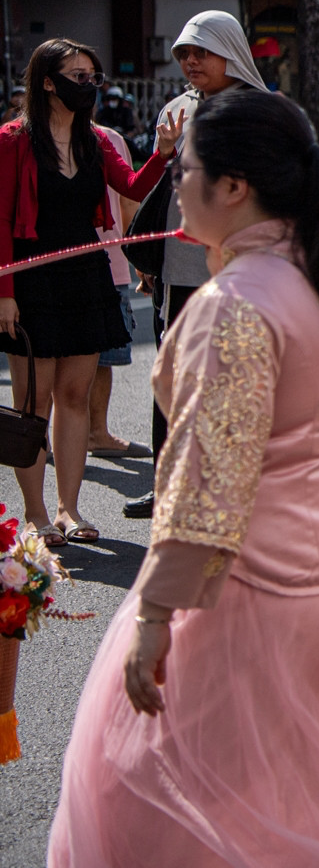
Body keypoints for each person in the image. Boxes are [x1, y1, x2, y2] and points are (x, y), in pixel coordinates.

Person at [48, 89, 319, 866]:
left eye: (184, 170)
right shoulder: (315, 275)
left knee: (170, 808)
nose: (175, 186)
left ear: (233, 187)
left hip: (249, 592)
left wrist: (155, 614)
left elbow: (205, 477)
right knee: (295, 797)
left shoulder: (236, 305)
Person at [0, 40, 177, 545]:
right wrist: (4, 292)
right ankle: (34, 514)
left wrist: (162, 156)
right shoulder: (12, 140)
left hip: (85, 276)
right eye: (77, 75)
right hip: (30, 278)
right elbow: (0, 219)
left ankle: (68, 510)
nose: (89, 85)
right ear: (47, 82)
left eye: (93, 76)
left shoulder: (96, 140)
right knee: (33, 404)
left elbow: (133, 188)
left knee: (75, 396)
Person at [124, 11, 267, 520]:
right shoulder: (176, 109)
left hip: (240, 277)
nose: (189, 61)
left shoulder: (263, 113)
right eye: (183, 53)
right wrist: (153, 260)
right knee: (172, 379)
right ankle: (168, 485)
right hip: (179, 273)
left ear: (230, 51)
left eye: (200, 51)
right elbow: (155, 187)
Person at [89, 123, 142, 455]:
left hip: (112, 260)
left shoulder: (110, 139)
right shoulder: (32, 136)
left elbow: (128, 201)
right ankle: (39, 437)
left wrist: (136, 255)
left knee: (104, 358)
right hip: (55, 262)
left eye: (91, 77)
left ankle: (98, 432)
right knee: (51, 357)